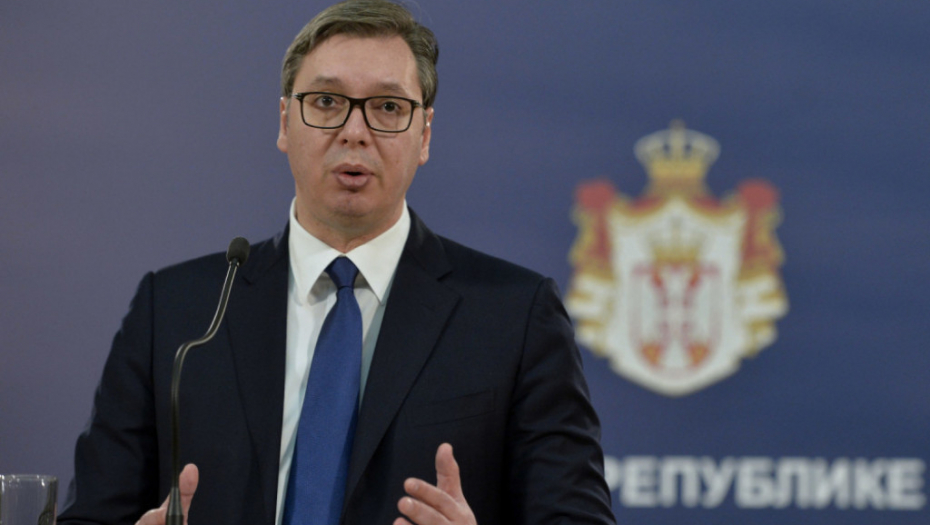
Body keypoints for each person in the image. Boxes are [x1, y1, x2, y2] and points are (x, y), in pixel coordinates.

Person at [58, 1, 616, 524]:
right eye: (326, 102)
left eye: (388, 107)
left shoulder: (513, 316)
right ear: (285, 122)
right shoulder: (176, 312)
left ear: (424, 135)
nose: (354, 132)